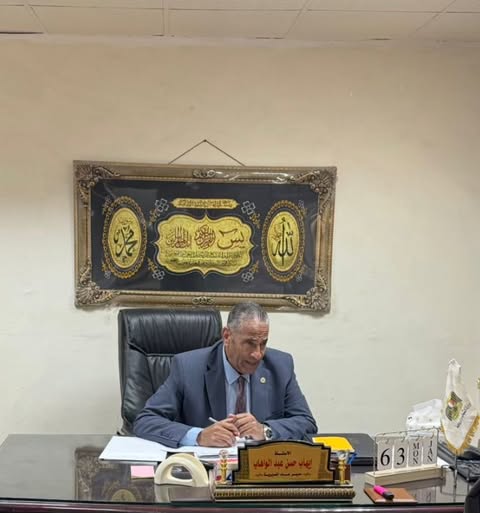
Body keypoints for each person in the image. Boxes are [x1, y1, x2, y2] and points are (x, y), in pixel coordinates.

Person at [134, 302, 317, 448]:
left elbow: (306, 423)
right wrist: (199, 436)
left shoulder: (280, 366)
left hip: (261, 470)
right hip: (206, 472)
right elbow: (146, 421)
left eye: (263, 343)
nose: (258, 354)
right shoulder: (188, 368)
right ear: (227, 336)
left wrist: (266, 430)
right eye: (250, 343)